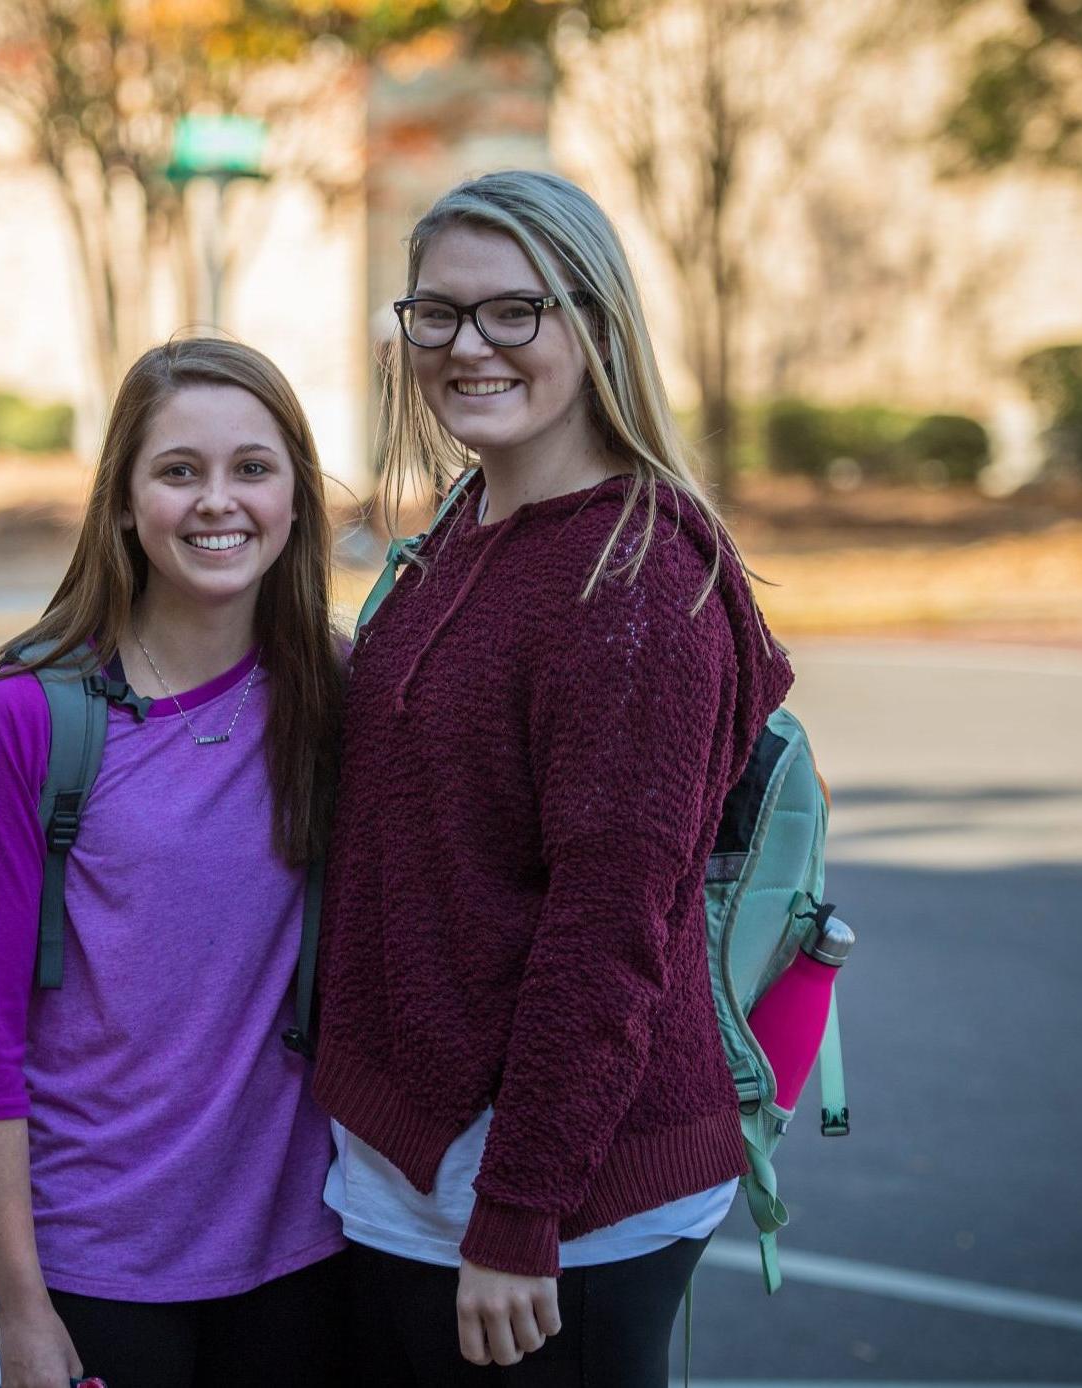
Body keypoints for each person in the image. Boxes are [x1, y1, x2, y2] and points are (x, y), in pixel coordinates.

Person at [313, 170, 797, 1386]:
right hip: (422, 1165)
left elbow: (605, 930)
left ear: (594, 322)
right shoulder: (472, 523)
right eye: (436, 313)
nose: (467, 345)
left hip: (546, 1205)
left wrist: (521, 1213)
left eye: (511, 312)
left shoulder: (632, 585)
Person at [0, 337, 349, 1388]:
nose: (220, 502)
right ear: (123, 501)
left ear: (297, 495)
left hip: (305, 1252)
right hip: (94, 1265)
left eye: (252, 468)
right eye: (179, 471)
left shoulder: (342, 695)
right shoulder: (32, 715)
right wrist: (21, 1309)